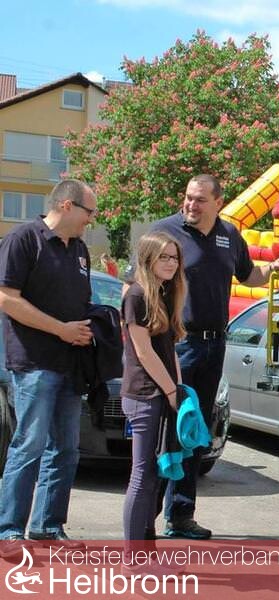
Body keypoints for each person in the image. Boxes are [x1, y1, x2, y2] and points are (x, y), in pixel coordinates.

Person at [152, 174, 279, 539]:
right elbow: (137, 284)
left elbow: (249, 276)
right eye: (188, 197)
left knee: (195, 433)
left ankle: (181, 517)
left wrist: (274, 268)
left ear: (218, 202)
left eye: (200, 199)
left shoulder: (229, 235)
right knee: (168, 432)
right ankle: (144, 518)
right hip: (178, 345)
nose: (191, 204)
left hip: (215, 345)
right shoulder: (165, 232)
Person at [0, 179, 97, 555]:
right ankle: (9, 530)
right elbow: (6, 298)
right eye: (89, 211)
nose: (92, 219)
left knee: (66, 450)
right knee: (30, 445)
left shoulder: (80, 249)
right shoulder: (23, 239)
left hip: (71, 365)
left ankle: (47, 525)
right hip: (34, 363)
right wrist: (61, 329)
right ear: (67, 205)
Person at [120, 232, 185, 552]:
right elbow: (144, 353)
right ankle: (132, 559)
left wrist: (179, 389)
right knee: (142, 475)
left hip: (163, 393)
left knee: (156, 476)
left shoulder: (165, 293)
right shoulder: (136, 295)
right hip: (143, 395)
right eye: (164, 257)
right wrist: (172, 391)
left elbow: (169, 351)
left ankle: (146, 551)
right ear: (148, 259)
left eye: (175, 258)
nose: (171, 263)